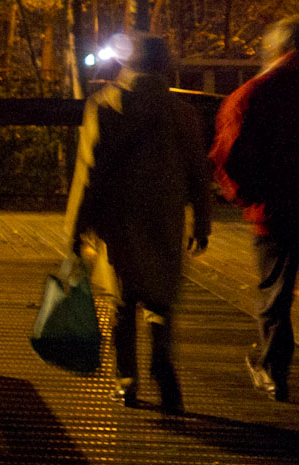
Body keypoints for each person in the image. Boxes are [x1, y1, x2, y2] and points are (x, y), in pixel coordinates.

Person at [66, 33, 214, 415]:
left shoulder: (106, 105)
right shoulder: (181, 111)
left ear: (127, 63)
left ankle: (126, 378)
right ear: (165, 65)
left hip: (118, 216)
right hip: (165, 214)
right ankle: (162, 360)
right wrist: (202, 221)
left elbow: (89, 171)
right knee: (160, 297)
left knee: (123, 299)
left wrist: (76, 227)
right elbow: (199, 171)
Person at [210, 16, 299, 432]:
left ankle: (272, 373)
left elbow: (229, 155)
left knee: (274, 298)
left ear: (275, 50)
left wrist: (247, 196)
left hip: (275, 217)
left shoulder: (250, 96)